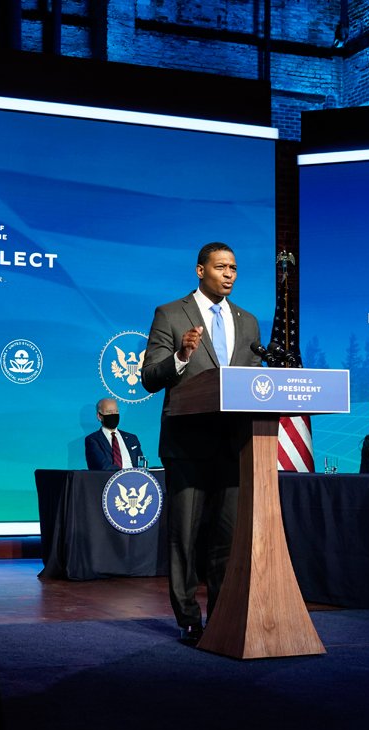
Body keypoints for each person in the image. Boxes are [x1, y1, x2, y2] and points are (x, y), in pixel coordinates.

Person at [141, 241, 261, 645]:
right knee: (186, 538)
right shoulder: (171, 314)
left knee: (226, 538)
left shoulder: (248, 321)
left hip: (234, 445)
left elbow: (252, 382)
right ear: (200, 270)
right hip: (188, 445)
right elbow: (150, 376)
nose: (229, 274)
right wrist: (180, 355)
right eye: (221, 267)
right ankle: (189, 618)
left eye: (234, 268)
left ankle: (224, 614)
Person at [84, 397, 144, 470]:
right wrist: (126, 474)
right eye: (109, 412)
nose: (113, 415)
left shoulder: (132, 438)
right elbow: (102, 466)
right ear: (99, 416)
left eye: (116, 411)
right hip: (110, 479)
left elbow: (141, 464)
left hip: (136, 479)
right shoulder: (93, 440)